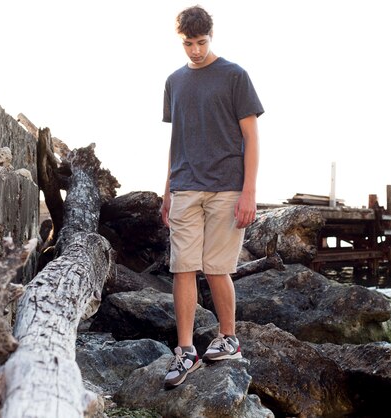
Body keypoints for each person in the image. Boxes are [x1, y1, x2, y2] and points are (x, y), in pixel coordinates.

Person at [160, 5, 264, 388]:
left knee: (217, 268)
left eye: (201, 42)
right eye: (189, 43)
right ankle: (185, 351)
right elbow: (176, 141)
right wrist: (167, 190)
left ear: (211, 37)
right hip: (185, 185)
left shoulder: (235, 76)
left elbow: (251, 137)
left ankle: (229, 338)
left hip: (227, 187)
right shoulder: (174, 81)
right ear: (181, 40)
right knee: (182, 266)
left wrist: (249, 192)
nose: (196, 51)